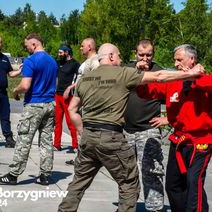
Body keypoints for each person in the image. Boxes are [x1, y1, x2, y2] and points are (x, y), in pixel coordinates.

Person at [58, 43, 204, 212]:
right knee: (129, 182)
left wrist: (83, 131)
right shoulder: (122, 73)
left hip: (89, 137)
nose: (120, 59)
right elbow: (159, 76)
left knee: (78, 182)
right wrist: (191, 73)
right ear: (111, 56)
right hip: (111, 137)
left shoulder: (85, 78)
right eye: (119, 56)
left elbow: (72, 109)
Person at [136, 44, 212, 212]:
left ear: (192, 60)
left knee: (194, 181)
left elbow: (207, 82)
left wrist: (194, 77)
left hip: (200, 142)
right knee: (173, 185)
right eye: (175, 60)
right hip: (179, 140)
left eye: (180, 60)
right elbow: (146, 92)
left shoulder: (206, 81)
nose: (176, 64)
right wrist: (140, 75)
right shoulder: (173, 82)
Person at [0, 33, 58, 186]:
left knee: (24, 140)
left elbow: (25, 86)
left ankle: (13, 174)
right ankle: (45, 175)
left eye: (26, 45)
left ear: (34, 44)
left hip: (34, 104)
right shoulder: (53, 61)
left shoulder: (31, 60)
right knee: (46, 141)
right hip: (50, 104)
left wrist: (15, 91)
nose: (25, 48)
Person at [123, 39, 168, 211]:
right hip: (126, 130)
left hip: (148, 131)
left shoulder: (160, 73)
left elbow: (176, 97)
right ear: (136, 54)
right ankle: (127, 207)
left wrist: (168, 118)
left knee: (152, 172)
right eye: (141, 55)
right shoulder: (127, 70)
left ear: (153, 55)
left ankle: (154, 208)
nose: (145, 58)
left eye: (149, 54)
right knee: (126, 173)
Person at [53, 45, 80, 153]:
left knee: (70, 121)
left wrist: (70, 88)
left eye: (60, 53)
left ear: (67, 53)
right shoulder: (58, 63)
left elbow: (80, 79)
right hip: (57, 95)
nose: (59, 55)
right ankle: (57, 144)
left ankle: (75, 145)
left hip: (68, 96)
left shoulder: (74, 64)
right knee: (57, 121)